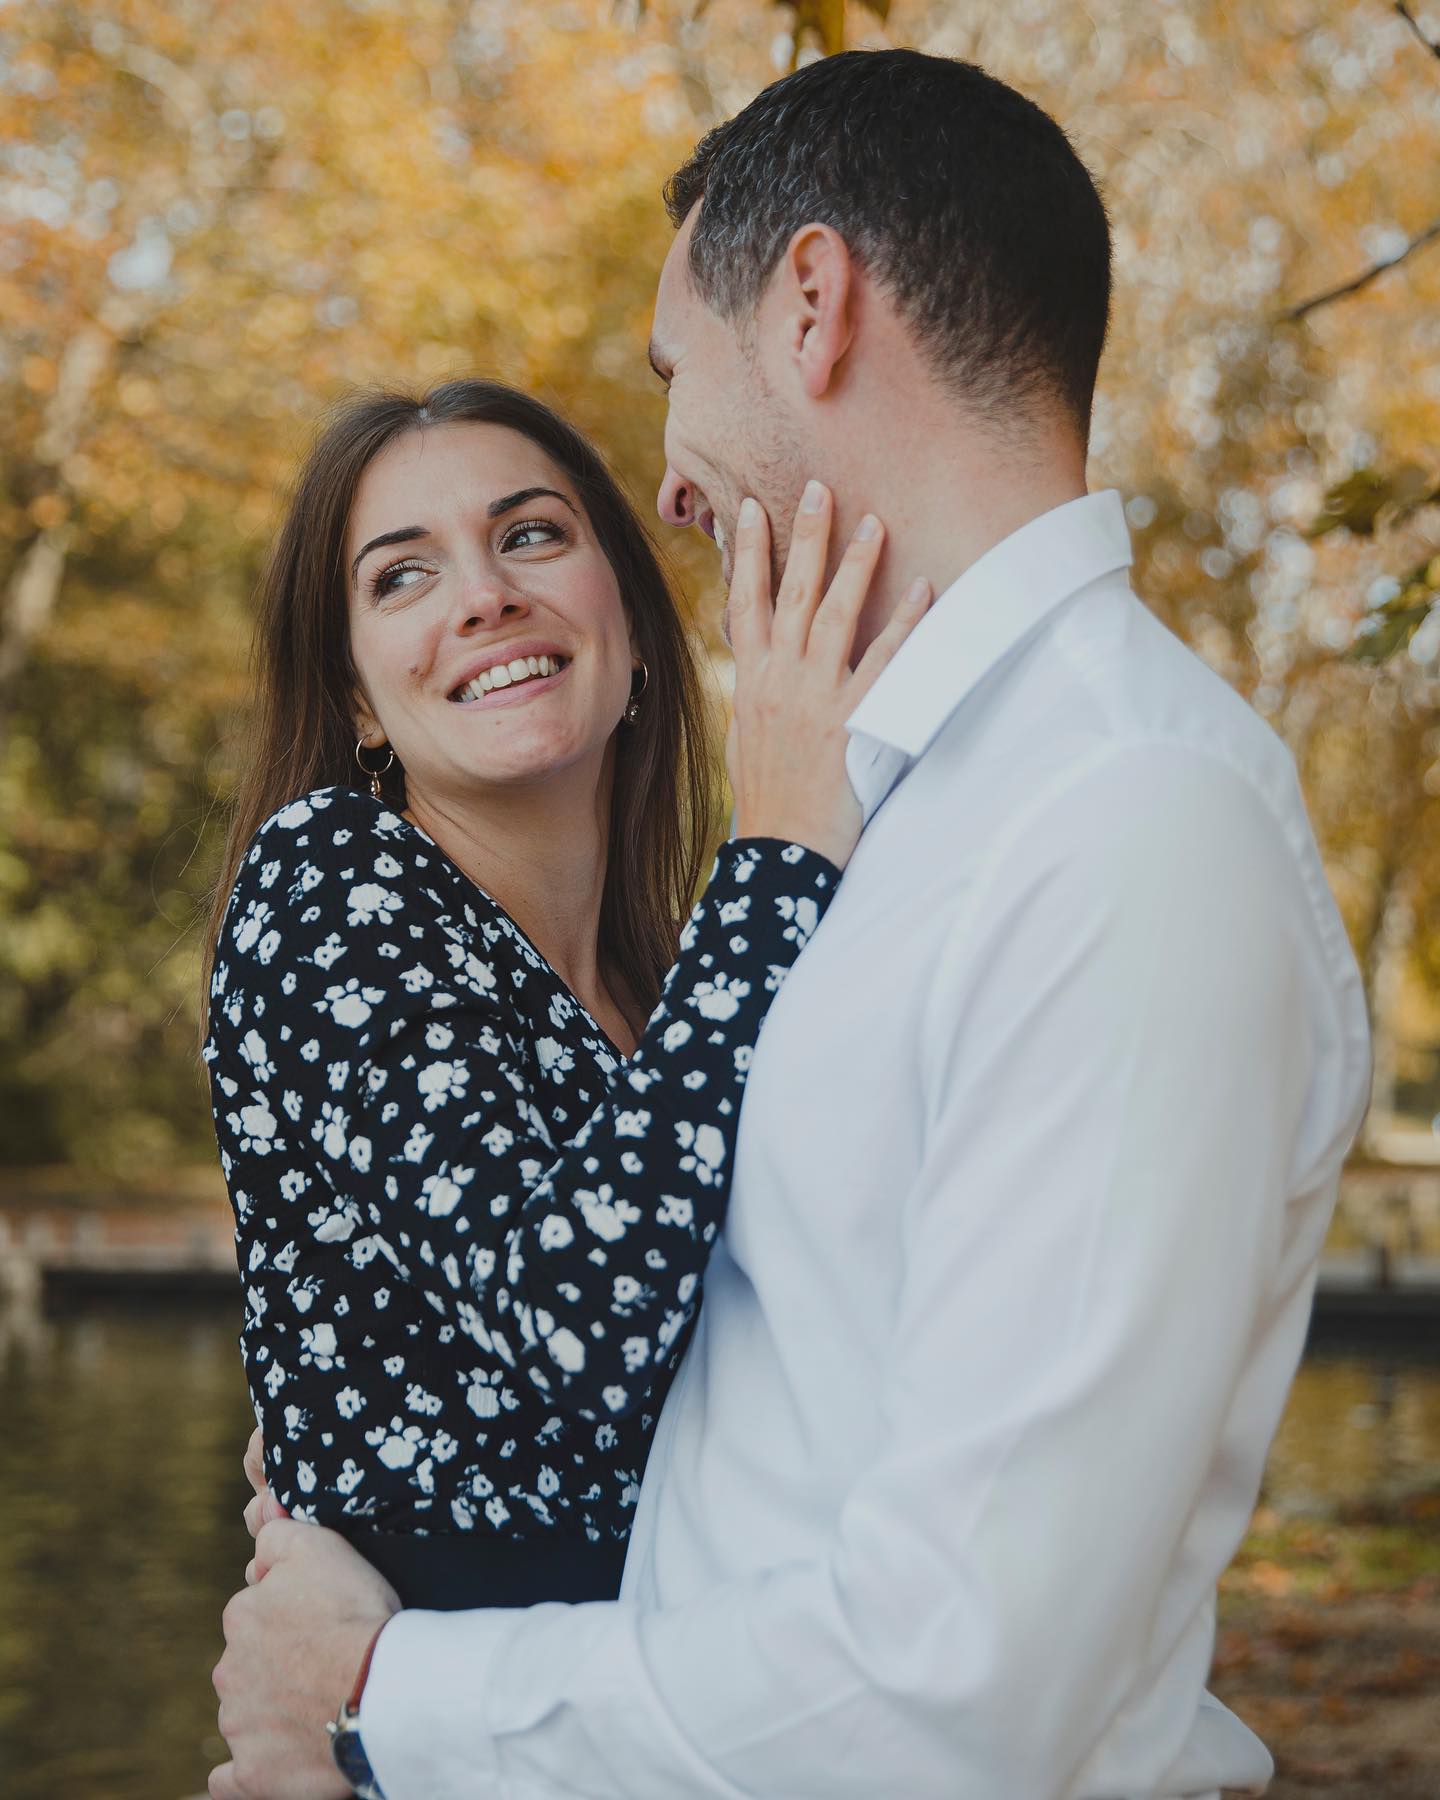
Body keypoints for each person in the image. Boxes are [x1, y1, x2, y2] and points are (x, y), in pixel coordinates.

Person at [210, 48, 1372, 1800]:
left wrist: (384, 1693)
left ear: (813, 307)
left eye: (675, 373)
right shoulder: (885, 826)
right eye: (405, 575)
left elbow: (962, 1686)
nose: (672, 486)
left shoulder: (1124, 819)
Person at [201, 378, 927, 1612]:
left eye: (530, 534)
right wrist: (783, 846)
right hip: (470, 1730)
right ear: (359, 704)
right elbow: (573, 1320)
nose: (486, 596)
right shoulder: (326, 879)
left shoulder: (669, 987)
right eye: (401, 576)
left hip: (683, 1703)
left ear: (634, 628)